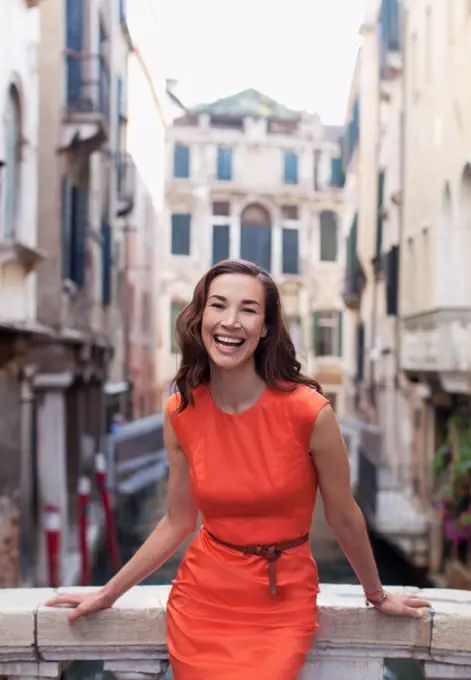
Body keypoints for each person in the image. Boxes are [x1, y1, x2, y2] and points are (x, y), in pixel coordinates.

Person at [46, 260, 431, 679]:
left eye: (248, 309)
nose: (231, 321)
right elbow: (177, 522)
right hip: (202, 598)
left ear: (265, 327)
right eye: (218, 305)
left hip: (283, 601)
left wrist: (376, 595)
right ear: (200, 317)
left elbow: (343, 516)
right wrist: (107, 593)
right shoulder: (181, 411)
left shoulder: (309, 413)